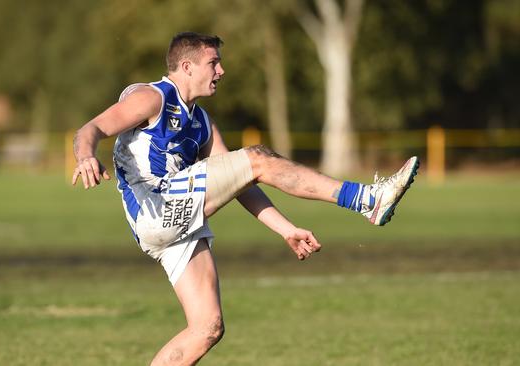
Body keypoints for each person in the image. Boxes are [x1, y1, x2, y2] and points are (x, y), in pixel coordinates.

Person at [72, 32, 419, 365]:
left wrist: (285, 229)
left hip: (172, 224)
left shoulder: (204, 124)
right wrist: (86, 155)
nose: (221, 71)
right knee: (256, 157)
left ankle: (367, 201)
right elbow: (90, 129)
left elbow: (241, 182)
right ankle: (366, 199)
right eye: (213, 62)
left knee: (207, 328)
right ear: (187, 67)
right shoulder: (153, 97)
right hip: (156, 206)